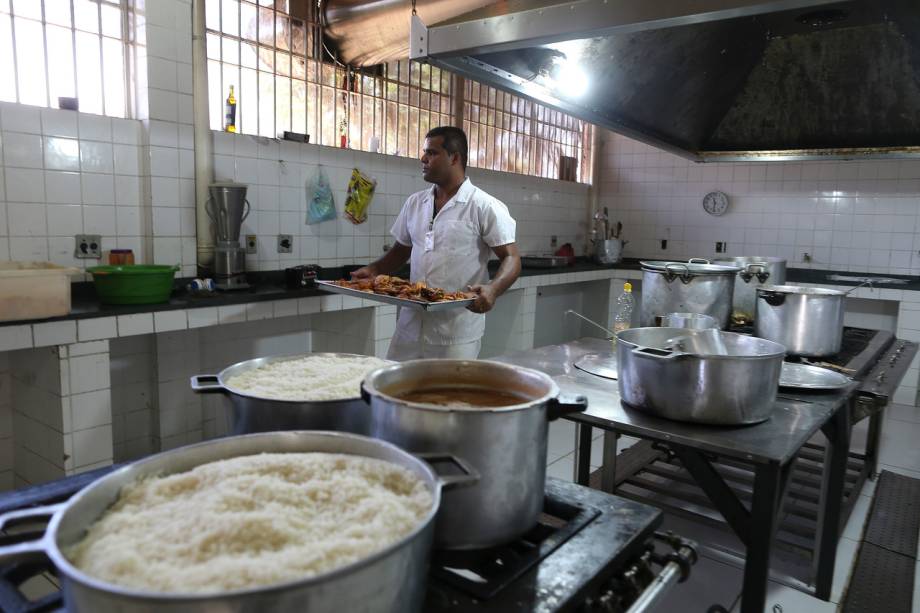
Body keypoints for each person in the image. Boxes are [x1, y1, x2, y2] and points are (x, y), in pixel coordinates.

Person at [351, 126, 521, 360]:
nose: (423, 158)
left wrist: (493, 289)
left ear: (454, 157)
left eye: (431, 153)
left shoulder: (484, 206)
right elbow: (402, 249)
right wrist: (374, 270)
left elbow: (511, 257)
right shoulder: (415, 203)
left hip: (455, 334)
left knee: (447, 396)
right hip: (410, 326)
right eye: (424, 152)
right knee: (397, 390)